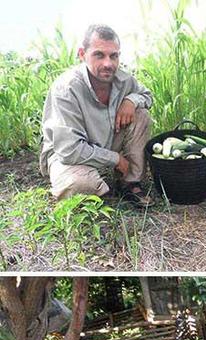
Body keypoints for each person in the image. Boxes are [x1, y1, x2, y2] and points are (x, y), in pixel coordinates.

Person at [40, 24, 153, 205]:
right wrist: (115, 159)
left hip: (105, 141)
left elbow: (147, 96)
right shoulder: (66, 89)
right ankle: (92, 184)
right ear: (82, 54)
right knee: (81, 185)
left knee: (141, 115)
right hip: (67, 156)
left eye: (113, 56)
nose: (108, 64)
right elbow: (69, 150)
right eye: (99, 55)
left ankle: (129, 182)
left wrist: (131, 101)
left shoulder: (124, 80)